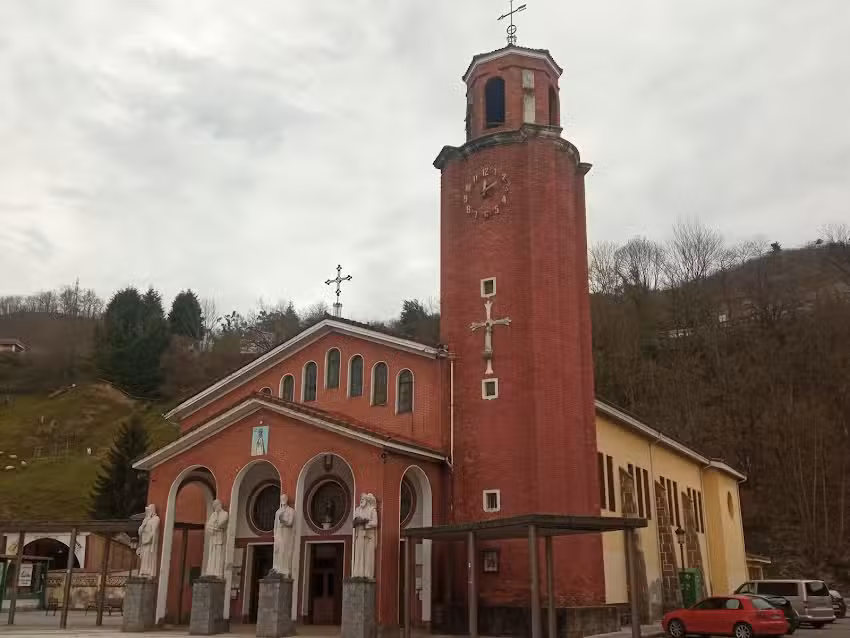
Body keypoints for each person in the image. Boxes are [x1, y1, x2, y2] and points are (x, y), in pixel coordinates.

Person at [203, 500, 229, 578]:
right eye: (214, 506)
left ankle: (218, 572)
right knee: (212, 554)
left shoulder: (225, 514)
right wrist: (213, 527)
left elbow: (221, 524)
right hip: (213, 537)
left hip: (220, 537)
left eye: (216, 505)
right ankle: (211, 571)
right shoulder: (213, 515)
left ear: (220, 505)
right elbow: (208, 526)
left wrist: (214, 526)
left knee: (218, 555)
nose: (215, 507)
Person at [272, 494, 296, 577]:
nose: (283, 500)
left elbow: (290, 523)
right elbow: (275, 526)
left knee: (284, 550)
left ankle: (284, 570)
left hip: (286, 532)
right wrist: (275, 536)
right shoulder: (278, 512)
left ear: (287, 499)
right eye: (282, 498)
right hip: (279, 533)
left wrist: (283, 521)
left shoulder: (291, 511)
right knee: (277, 550)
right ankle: (277, 568)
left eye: (285, 498)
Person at [137, 504, 160, 578]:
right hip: (144, 543)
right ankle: (143, 572)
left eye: (149, 510)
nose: (147, 512)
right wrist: (144, 524)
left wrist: (148, 538)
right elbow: (140, 531)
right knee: (144, 558)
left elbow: (154, 531)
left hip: (150, 543)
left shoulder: (156, 519)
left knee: (149, 557)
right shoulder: (145, 520)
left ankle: (149, 573)